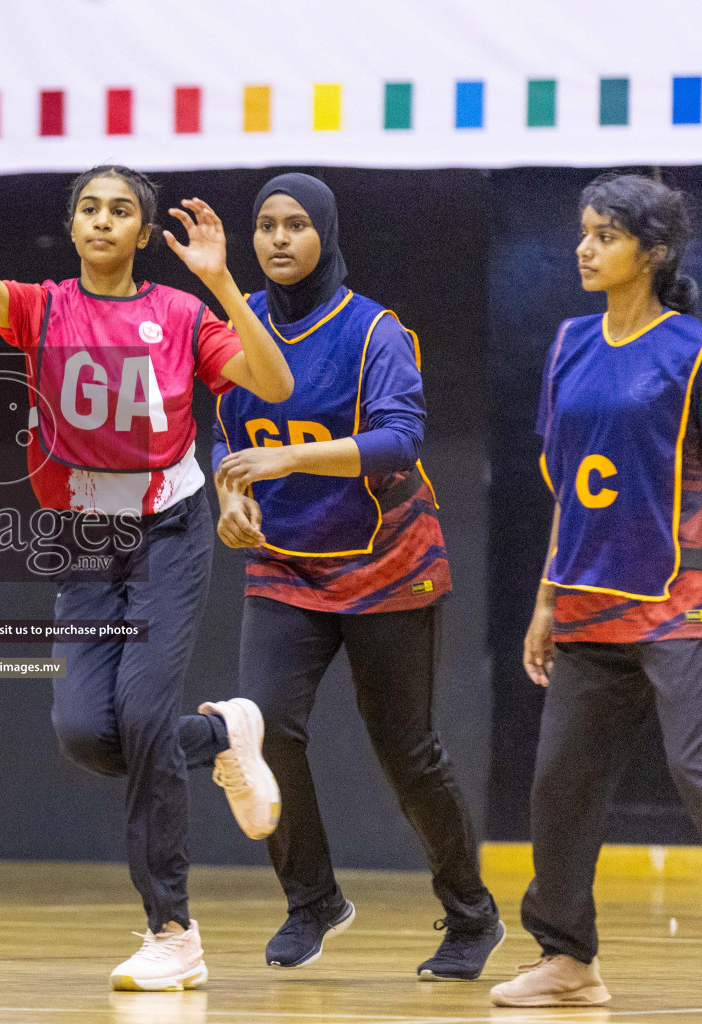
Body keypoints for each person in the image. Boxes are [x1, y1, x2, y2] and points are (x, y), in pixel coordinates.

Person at [0, 95, 287, 993]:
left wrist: (222, 282)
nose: (103, 219)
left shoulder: (179, 315)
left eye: (121, 209)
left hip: (169, 531)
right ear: (71, 225)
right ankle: (222, 731)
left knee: (139, 720)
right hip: (82, 537)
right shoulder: (39, 307)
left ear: (143, 232)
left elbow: (272, 376)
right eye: (90, 207)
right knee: (82, 732)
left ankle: (172, 931)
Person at [489, 172, 702, 1014]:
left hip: (682, 593)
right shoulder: (568, 343)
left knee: (701, 770)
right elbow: (569, 492)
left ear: (651, 254)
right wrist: (545, 599)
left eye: (606, 235)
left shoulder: (697, 349)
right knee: (560, 784)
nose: (585, 248)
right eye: (583, 232)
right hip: (585, 596)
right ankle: (567, 958)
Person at [212, 173, 504, 980]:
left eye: (296, 225)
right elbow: (221, 434)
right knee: (260, 731)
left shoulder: (374, 331)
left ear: (326, 236)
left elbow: (399, 439)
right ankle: (313, 901)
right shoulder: (239, 329)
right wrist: (229, 492)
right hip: (286, 565)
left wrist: (291, 457)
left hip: (388, 563)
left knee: (408, 752)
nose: (277, 239)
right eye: (266, 225)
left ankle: (472, 917)